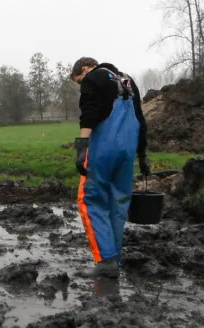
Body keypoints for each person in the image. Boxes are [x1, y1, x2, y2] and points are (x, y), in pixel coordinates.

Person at [69, 57, 151, 279]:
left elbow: (90, 113)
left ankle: (105, 261)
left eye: (79, 81)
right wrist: (143, 155)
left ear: (85, 69)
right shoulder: (128, 81)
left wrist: (81, 147)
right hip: (127, 150)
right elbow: (140, 120)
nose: (81, 85)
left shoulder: (92, 78)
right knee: (119, 201)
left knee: (90, 199)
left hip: (103, 149)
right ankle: (113, 259)